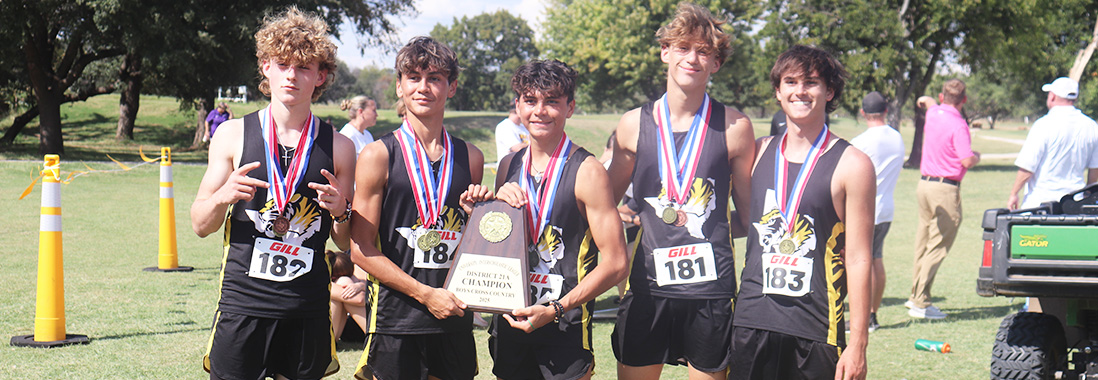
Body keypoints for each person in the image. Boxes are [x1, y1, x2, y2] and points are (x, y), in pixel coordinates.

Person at [189, 7, 355, 379]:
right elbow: (200, 224)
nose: (292, 76)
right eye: (282, 64)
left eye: (304, 67)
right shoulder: (232, 135)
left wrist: (342, 211)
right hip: (243, 304)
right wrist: (222, 197)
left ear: (321, 76)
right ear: (266, 67)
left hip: (306, 308)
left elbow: (345, 242)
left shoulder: (339, 147)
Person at [605, 3, 755, 379]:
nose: (693, 58)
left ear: (716, 63)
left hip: (711, 289)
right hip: (647, 286)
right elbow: (602, 202)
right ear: (665, 52)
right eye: (684, 47)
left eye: (704, 51)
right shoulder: (632, 125)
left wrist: (705, 223)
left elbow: (751, 218)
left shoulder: (735, 126)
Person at [467, 58, 628, 380]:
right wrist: (478, 214)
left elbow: (616, 263)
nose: (540, 110)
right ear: (518, 105)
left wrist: (557, 308)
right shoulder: (508, 165)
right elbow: (502, 240)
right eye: (530, 100)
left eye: (552, 101)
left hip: (563, 324)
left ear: (570, 107)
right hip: (511, 318)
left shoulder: (588, 171)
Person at [729, 45, 872, 380]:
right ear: (778, 92)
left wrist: (858, 344)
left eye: (811, 82)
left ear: (829, 91)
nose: (800, 91)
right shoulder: (757, 151)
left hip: (816, 329)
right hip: (752, 322)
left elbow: (859, 258)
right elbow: (735, 219)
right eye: (790, 82)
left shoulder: (854, 164)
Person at [348, 36, 483, 380]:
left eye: (435, 78)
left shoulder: (471, 157)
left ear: (451, 87)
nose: (423, 87)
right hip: (397, 319)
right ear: (399, 87)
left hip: (454, 315)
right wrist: (426, 295)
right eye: (414, 77)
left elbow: (475, 243)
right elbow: (361, 249)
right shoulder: (378, 154)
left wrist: (477, 219)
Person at [908, 78, 980, 320]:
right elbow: (966, 160)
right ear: (964, 100)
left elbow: (927, 102)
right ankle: (921, 301)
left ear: (942, 97)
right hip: (945, 189)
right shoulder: (959, 125)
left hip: (924, 185)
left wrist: (923, 99)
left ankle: (915, 296)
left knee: (923, 242)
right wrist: (977, 156)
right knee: (938, 246)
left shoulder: (934, 113)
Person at [849, 91, 904, 333]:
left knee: (861, 263)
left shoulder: (860, 142)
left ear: (863, 113)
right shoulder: (897, 138)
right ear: (885, 111)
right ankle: (872, 314)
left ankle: (863, 319)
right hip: (886, 208)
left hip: (863, 210)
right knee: (875, 260)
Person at [1007, 77, 1098, 210]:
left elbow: (1027, 168)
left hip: (1040, 203)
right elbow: (1094, 172)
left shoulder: (1043, 124)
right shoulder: (1091, 126)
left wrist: (1014, 193)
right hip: (1074, 204)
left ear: (1052, 96)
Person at [328, 249, 370, 340]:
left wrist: (360, 285)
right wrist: (356, 284)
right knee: (345, 292)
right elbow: (360, 299)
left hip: (336, 331)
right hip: (322, 337)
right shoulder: (328, 284)